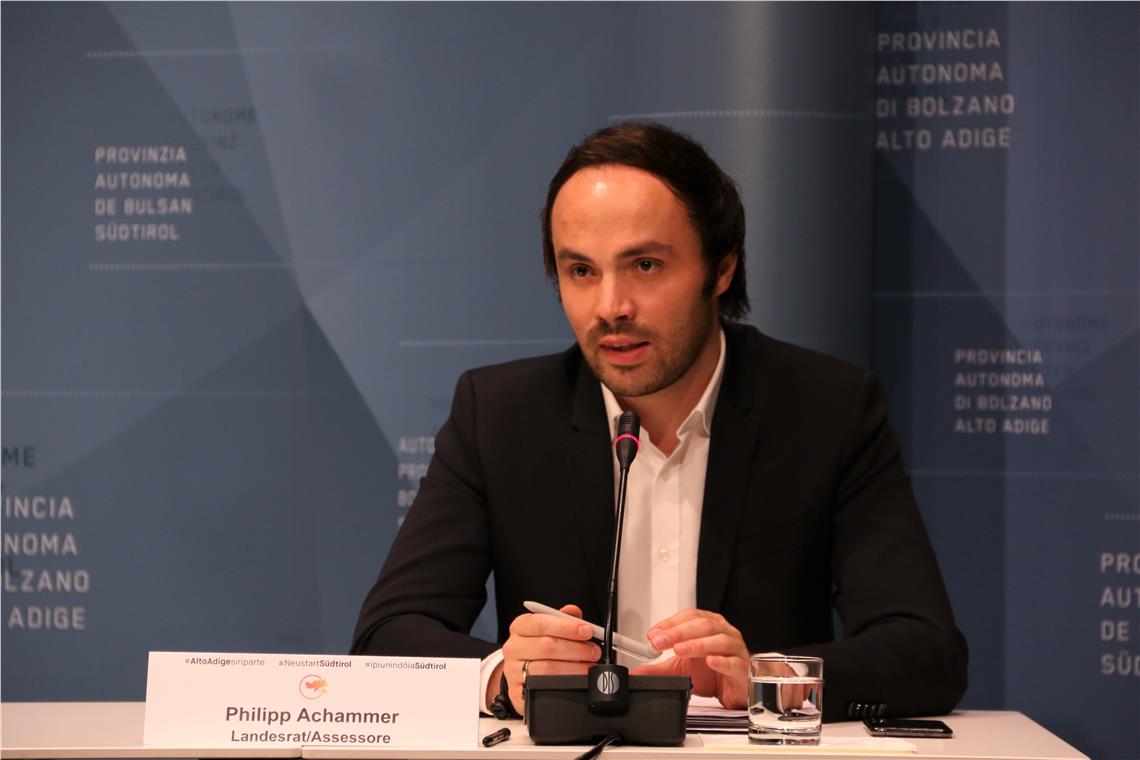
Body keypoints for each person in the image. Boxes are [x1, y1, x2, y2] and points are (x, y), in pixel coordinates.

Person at [351, 122, 968, 723]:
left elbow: (926, 651)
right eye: (581, 271)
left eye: (645, 265)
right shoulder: (499, 414)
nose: (610, 308)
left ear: (721, 269)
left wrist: (767, 676)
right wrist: (502, 674)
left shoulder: (826, 409)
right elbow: (387, 635)